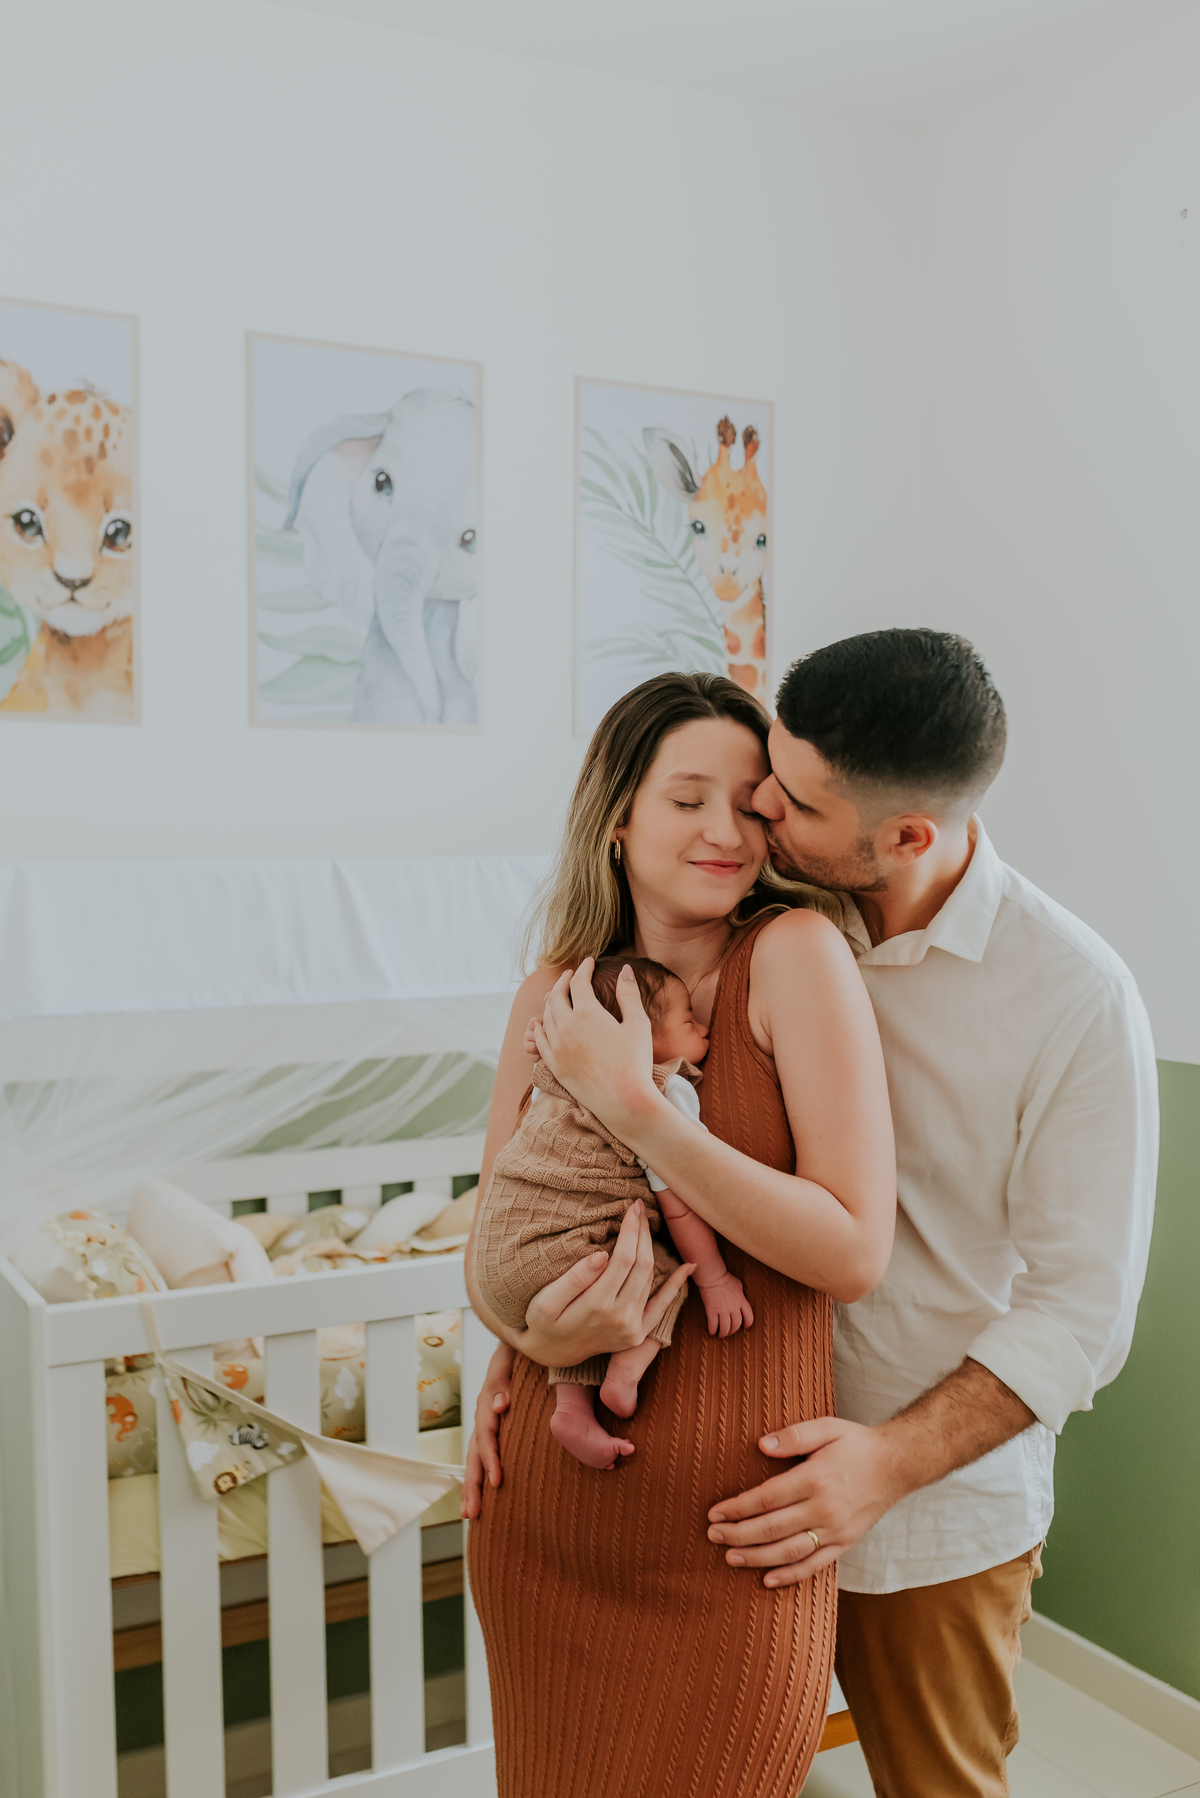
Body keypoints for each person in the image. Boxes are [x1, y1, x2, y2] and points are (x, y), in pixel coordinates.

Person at [528, 631, 1159, 1798]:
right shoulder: (753, 917)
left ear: (906, 835)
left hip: (923, 1502)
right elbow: (576, 1176)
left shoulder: (1073, 998)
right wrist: (519, 1363)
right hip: (721, 1472)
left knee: (937, 1784)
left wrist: (885, 1464)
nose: (759, 806)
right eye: (771, 766)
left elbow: (1083, 1310)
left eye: (796, 798)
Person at [462, 671, 896, 1798]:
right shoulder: (551, 993)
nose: (724, 830)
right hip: (546, 1532)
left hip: (735, 1549)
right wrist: (532, 1343)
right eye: (685, 798)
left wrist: (640, 1105)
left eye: (751, 803)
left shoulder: (793, 953)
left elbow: (852, 1249)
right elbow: (493, 1243)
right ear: (619, 816)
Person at [471, 955, 754, 1471]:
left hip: (500, 1260)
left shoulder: (555, 1075)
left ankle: (571, 1407)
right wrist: (713, 1279)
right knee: (663, 1268)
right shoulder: (665, 1090)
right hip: (561, 1256)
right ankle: (625, 1371)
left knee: (585, 1271)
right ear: (638, 1036)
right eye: (689, 1020)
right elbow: (681, 1202)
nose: (705, 1027)